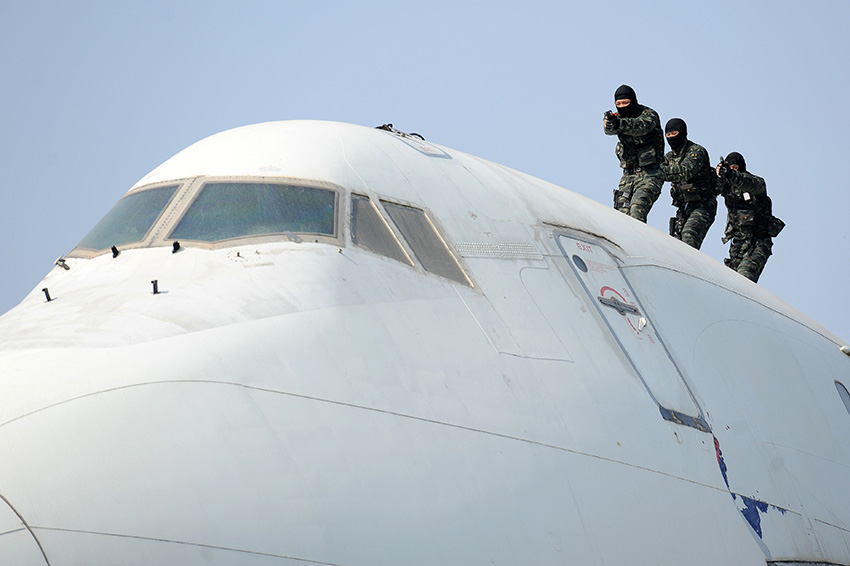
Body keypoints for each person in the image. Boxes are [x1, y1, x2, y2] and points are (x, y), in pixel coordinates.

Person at [716, 152, 784, 282]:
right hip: (737, 245)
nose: (733, 170)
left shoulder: (756, 183)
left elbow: (748, 183)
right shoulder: (727, 187)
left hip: (757, 243)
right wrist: (720, 175)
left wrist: (731, 175)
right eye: (730, 168)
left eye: (735, 167)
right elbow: (712, 186)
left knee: (744, 281)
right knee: (730, 283)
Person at [603, 84, 665, 222]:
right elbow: (608, 130)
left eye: (625, 103)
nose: (622, 106)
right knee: (621, 217)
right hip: (628, 176)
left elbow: (642, 126)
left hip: (651, 174)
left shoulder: (649, 115)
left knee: (637, 210)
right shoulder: (617, 117)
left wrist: (620, 124)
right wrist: (609, 122)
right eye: (618, 104)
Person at [659, 118, 718, 249]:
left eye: (674, 134)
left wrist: (658, 172)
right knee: (676, 246)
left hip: (703, 205)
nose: (671, 138)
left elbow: (685, 171)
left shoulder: (696, 151)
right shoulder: (669, 157)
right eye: (668, 135)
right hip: (683, 208)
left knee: (688, 237)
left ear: (683, 133)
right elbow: (654, 171)